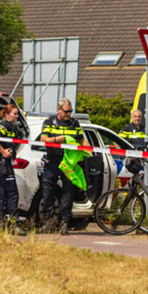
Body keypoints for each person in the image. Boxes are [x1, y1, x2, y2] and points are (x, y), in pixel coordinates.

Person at [39, 98, 90, 235]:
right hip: (53, 161)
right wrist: (57, 139)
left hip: (68, 162)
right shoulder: (49, 122)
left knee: (68, 192)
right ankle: (48, 221)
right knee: (48, 191)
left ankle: (64, 222)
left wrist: (89, 148)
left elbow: (81, 139)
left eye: (70, 111)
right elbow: (43, 139)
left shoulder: (74, 123)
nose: (68, 114)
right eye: (66, 111)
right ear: (59, 109)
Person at [0, 104, 21, 222]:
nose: (17, 116)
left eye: (17, 114)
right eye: (14, 114)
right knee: (13, 193)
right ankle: (14, 221)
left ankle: (1, 220)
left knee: (3, 193)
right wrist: (3, 151)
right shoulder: (5, 126)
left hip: (4, 163)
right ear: (7, 114)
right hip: (3, 164)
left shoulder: (12, 127)